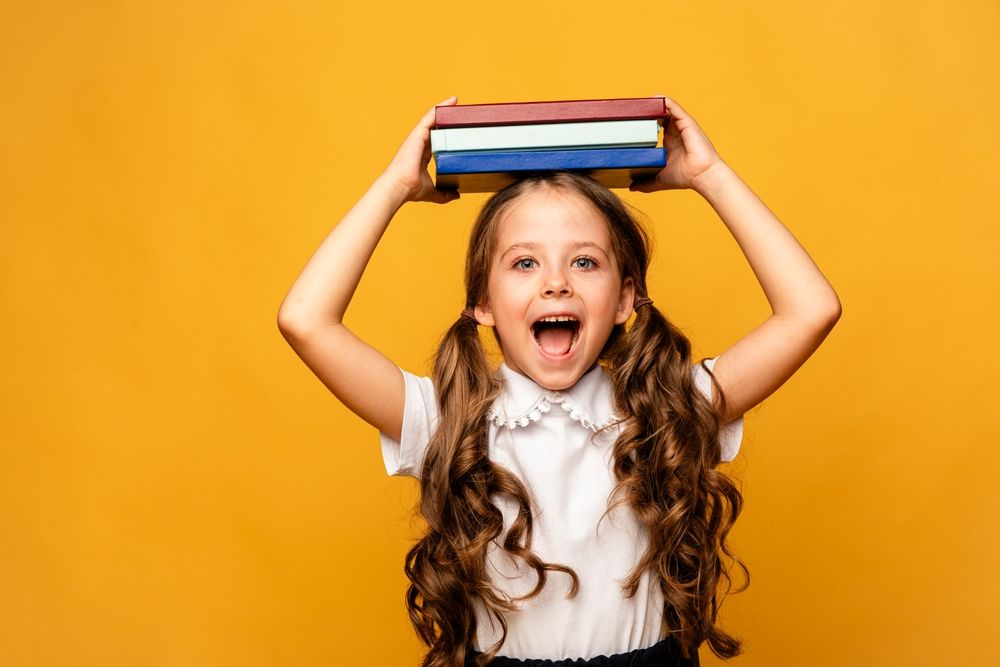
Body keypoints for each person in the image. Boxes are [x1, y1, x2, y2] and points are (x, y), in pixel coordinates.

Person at [277, 95, 842, 667]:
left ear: (625, 298)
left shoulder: (666, 410)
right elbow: (306, 320)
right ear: (483, 303)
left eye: (585, 262)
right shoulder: (448, 418)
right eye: (525, 263)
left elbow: (809, 309)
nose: (555, 284)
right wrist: (396, 185)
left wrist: (710, 176)